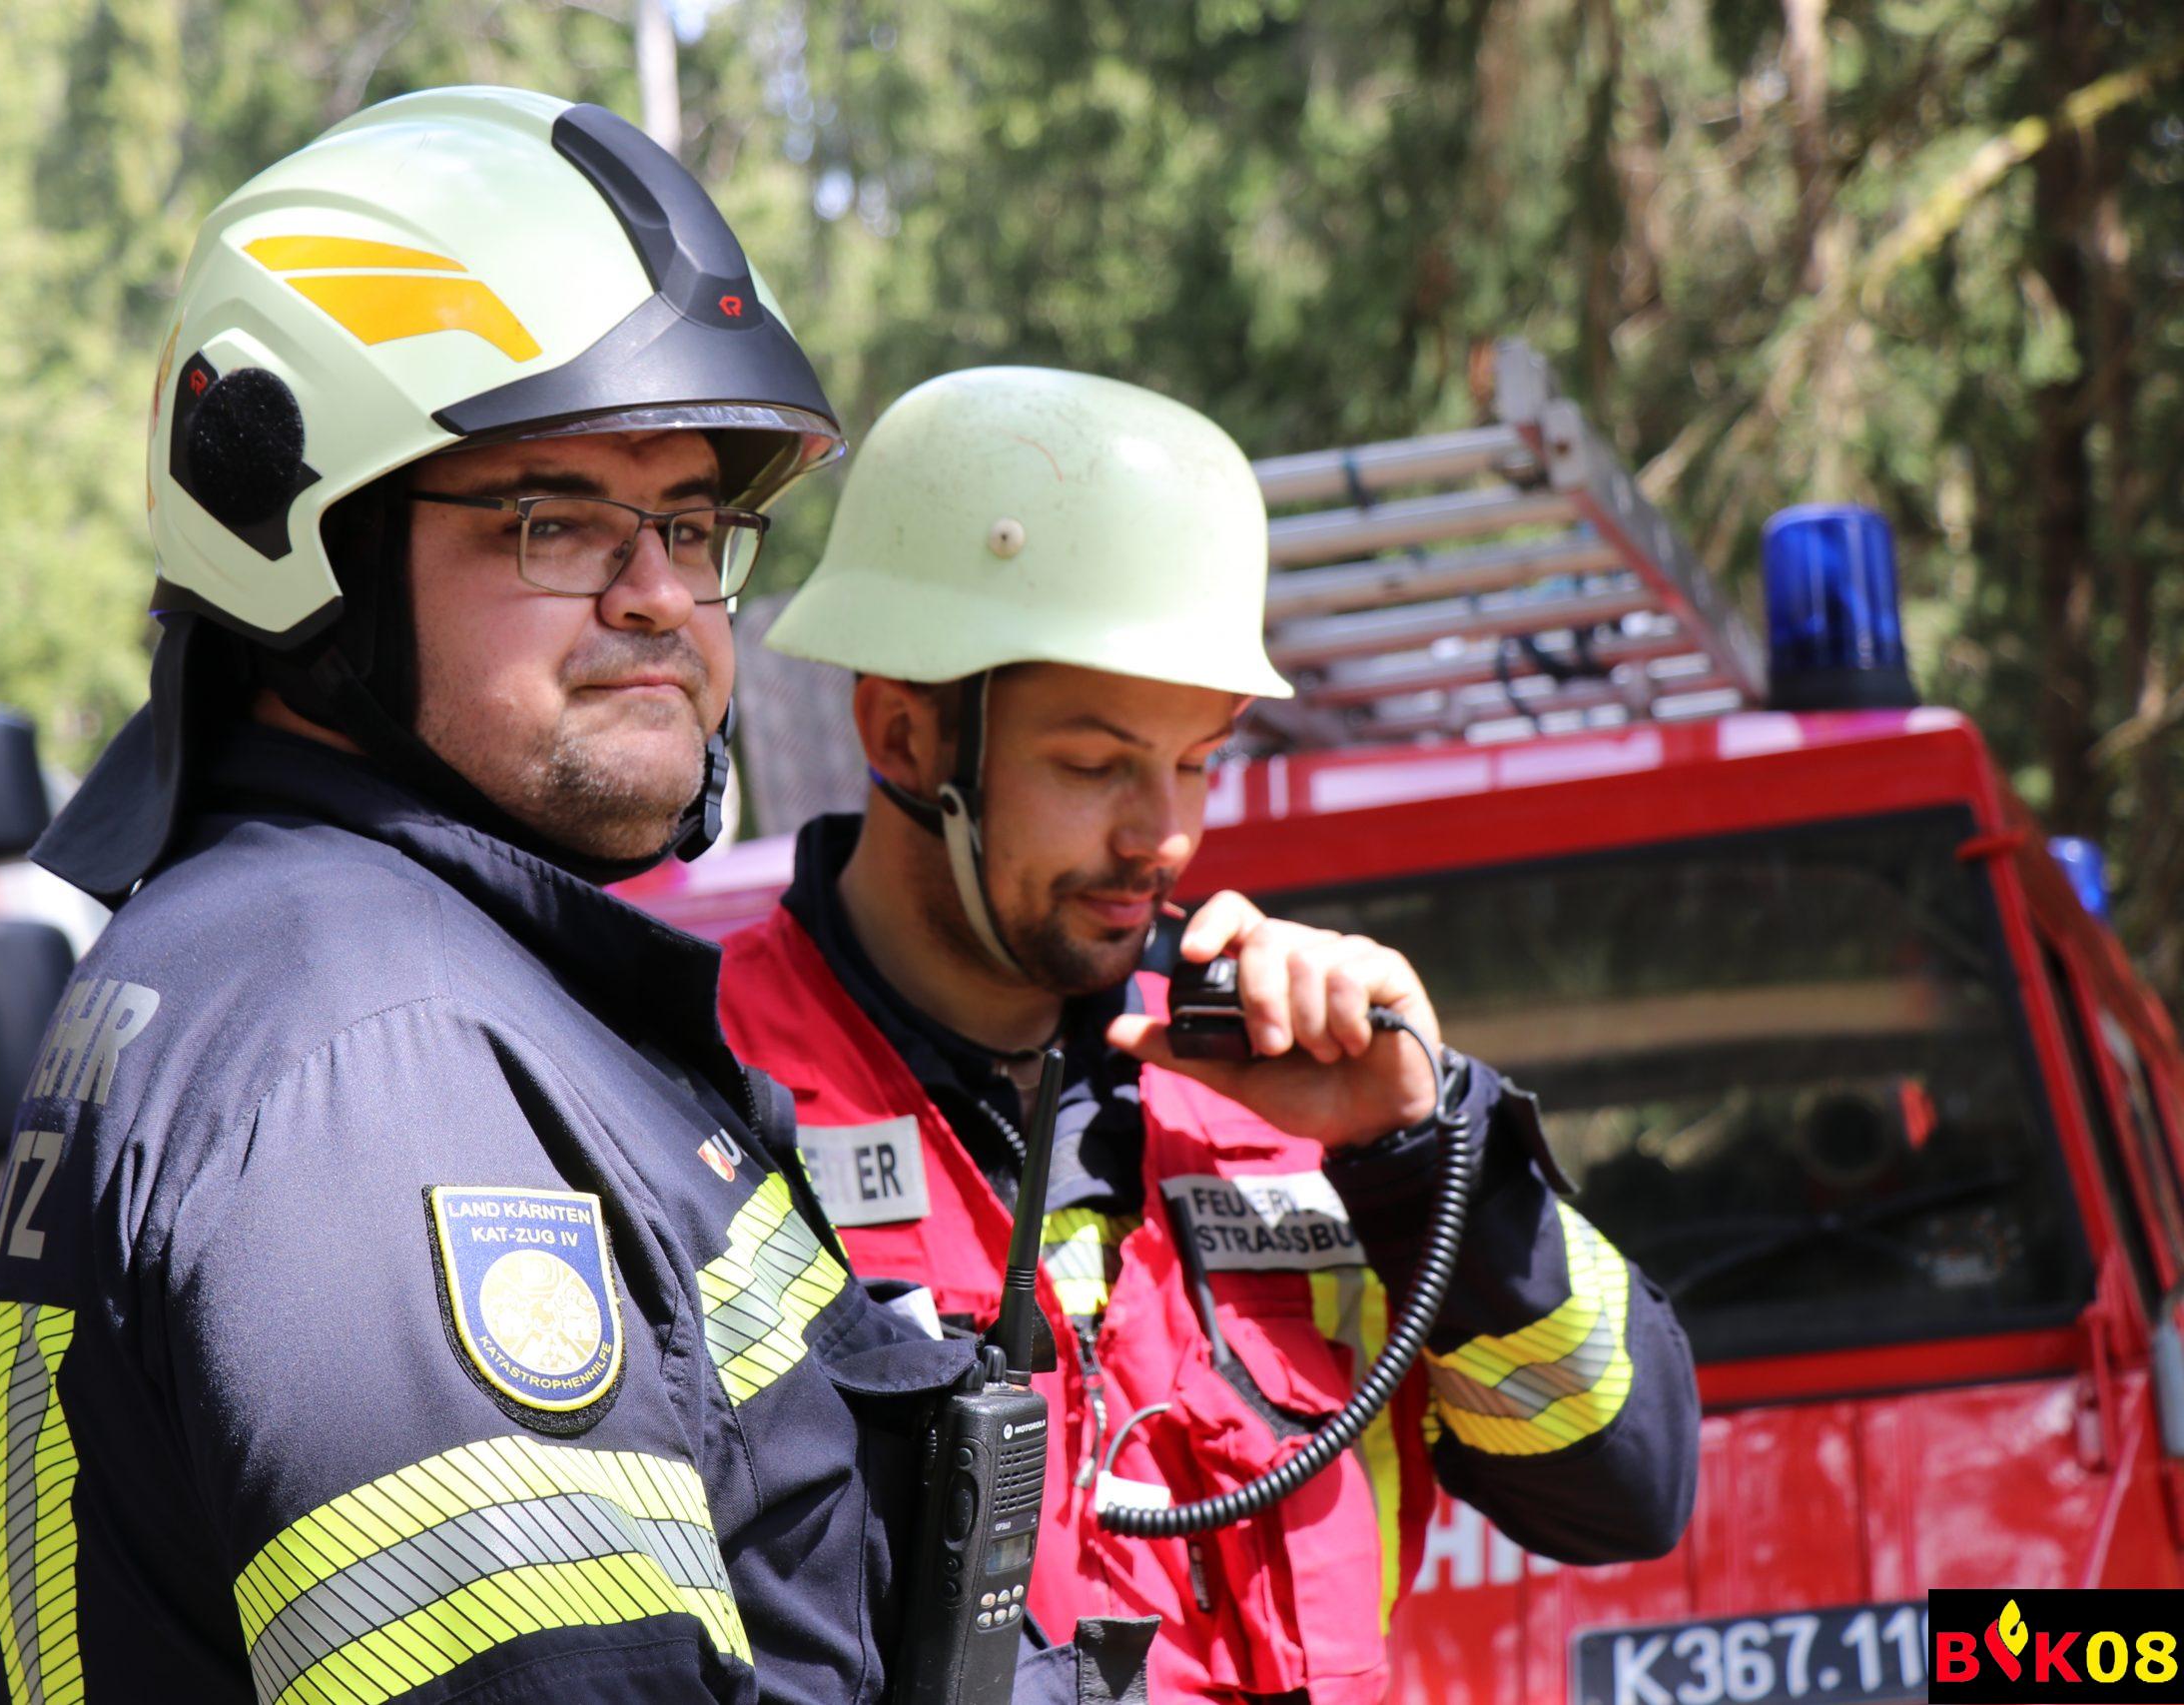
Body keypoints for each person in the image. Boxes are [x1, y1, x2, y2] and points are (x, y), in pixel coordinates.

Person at [0, 92, 1118, 1705]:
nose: (662, 595)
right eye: (555, 519)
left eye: (693, 524)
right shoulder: (376, 1063)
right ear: (305, 543)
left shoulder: (336, 974)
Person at [715, 367, 1702, 1703]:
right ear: (902, 730)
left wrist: (1420, 1152)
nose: (1166, 835)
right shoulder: (694, 1096)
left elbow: (1628, 1489)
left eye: (1198, 760)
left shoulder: (1287, 1088)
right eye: (1094, 764)